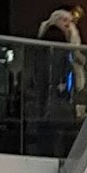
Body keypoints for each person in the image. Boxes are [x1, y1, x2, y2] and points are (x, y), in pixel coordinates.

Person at [29, 8, 79, 156]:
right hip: (55, 102)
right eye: (65, 21)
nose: (68, 25)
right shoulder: (60, 48)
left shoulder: (44, 48)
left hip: (47, 102)